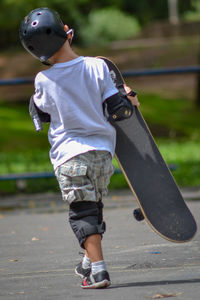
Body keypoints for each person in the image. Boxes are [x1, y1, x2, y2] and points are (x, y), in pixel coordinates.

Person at [19, 7, 140, 289]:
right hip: (102, 155)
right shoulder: (98, 66)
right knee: (93, 209)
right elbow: (118, 110)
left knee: (83, 214)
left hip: (70, 156)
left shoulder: (43, 79)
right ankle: (87, 262)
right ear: (67, 33)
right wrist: (130, 98)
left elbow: (41, 113)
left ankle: (98, 271)